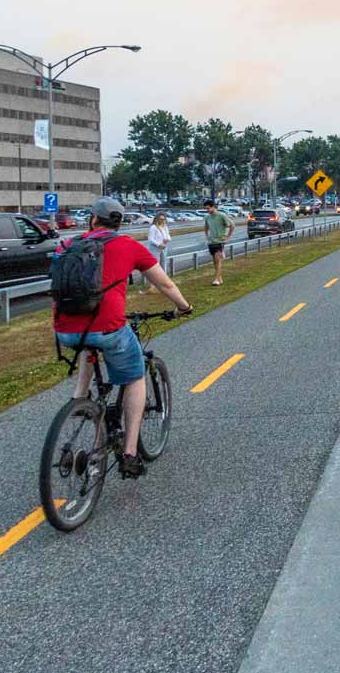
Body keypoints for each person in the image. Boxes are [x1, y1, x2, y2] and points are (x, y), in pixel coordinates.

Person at [53, 197, 192, 479]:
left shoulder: (66, 245)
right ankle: (130, 453)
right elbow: (164, 282)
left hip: (64, 329)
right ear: (120, 222)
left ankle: (79, 397)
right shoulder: (128, 246)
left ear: (92, 220)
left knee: (86, 343)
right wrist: (184, 307)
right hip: (108, 327)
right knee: (135, 375)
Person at [203, 198, 235, 286]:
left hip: (220, 241)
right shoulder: (207, 217)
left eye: (208, 208)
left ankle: (216, 279)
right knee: (215, 261)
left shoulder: (221, 215)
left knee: (218, 260)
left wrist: (227, 237)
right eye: (206, 209)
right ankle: (219, 278)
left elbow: (232, 225)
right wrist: (206, 236)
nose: (207, 210)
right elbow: (206, 227)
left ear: (213, 207)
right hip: (211, 242)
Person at [144, 212, 171, 293]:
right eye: (160, 219)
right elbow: (150, 239)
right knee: (155, 266)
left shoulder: (165, 227)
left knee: (163, 264)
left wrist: (167, 240)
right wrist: (159, 244)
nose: (162, 221)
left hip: (164, 247)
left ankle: (163, 283)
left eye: (163, 219)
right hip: (155, 249)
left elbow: (168, 236)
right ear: (157, 219)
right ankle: (152, 285)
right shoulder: (153, 227)